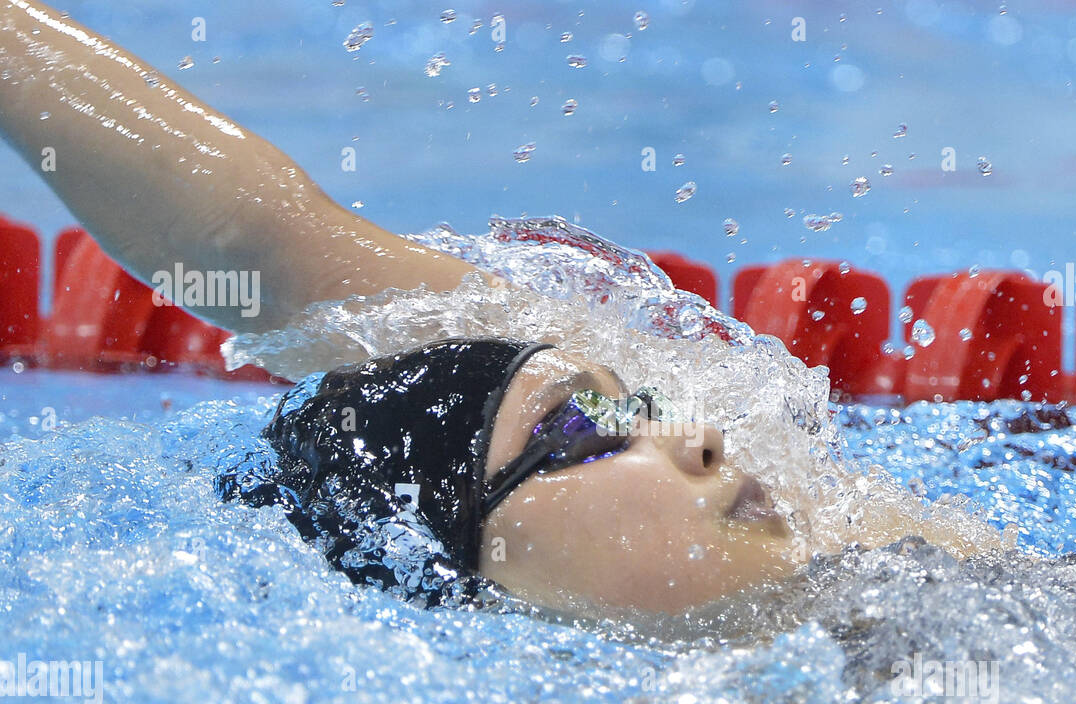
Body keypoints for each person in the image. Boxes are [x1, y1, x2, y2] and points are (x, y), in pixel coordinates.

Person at [1, 1, 997, 617]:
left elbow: (263, 246)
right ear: (451, 571)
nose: (702, 437)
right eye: (576, 434)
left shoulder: (872, 558)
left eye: (626, 407)